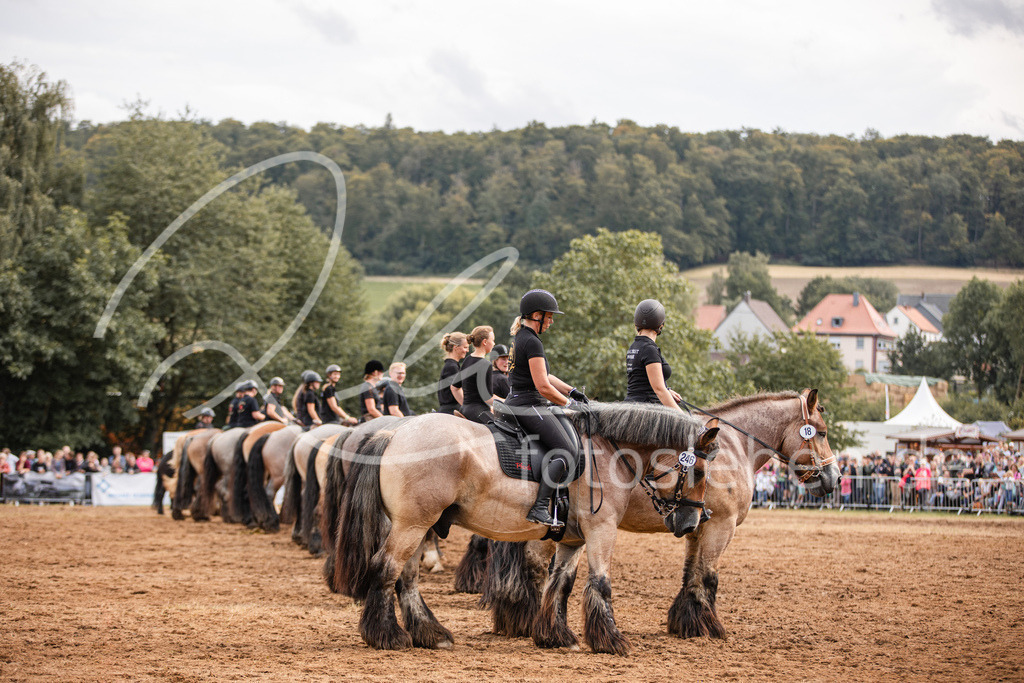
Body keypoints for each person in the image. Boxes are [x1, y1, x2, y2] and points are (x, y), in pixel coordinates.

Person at [506, 289, 589, 527]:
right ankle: (540, 507)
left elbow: (546, 375)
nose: (551, 322)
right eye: (549, 317)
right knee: (565, 450)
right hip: (528, 404)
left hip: (521, 401)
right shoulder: (531, 342)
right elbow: (542, 386)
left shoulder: (524, 337)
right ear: (536, 315)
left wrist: (571, 391)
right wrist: (570, 404)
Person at [624, 299, 683, 410]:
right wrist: (685, 418)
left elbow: (641, 381)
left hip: (633, 405)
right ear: (660, 325)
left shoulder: (634, 347)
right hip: (647, 409)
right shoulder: (649, 349)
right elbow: (659, 390)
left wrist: (667, 391)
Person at [460, 326, 496, 423]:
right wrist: (507, 402)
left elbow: (454, 387)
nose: (494, 343)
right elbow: (488, 398)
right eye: (492, 340)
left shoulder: (467, 360)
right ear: (485, 342)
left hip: (464, 409)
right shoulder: (485, 364)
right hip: (478, 411)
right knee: (502, 433)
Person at [437, 333, 468, 415]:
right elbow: (455, 390)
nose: (467, 350)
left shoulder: (452, 366)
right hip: (451, 412)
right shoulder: (451, 367)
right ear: (456, 348)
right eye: (465, 347)